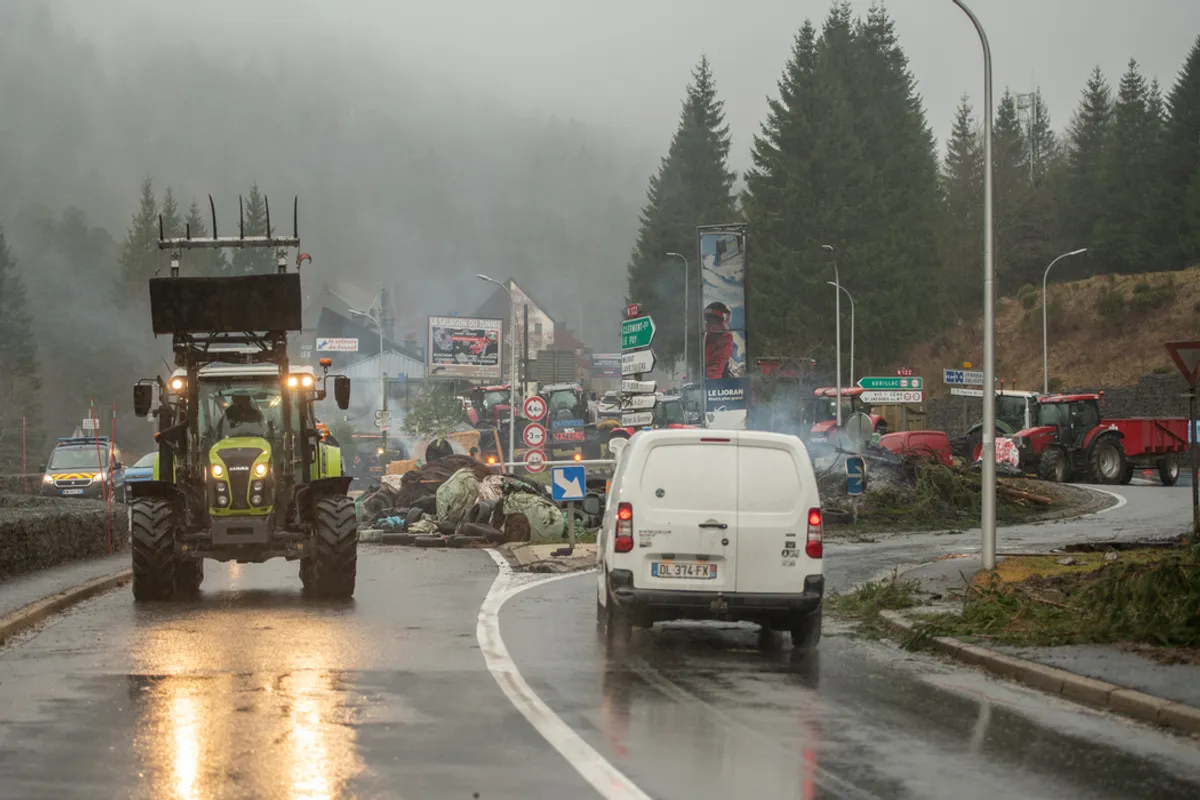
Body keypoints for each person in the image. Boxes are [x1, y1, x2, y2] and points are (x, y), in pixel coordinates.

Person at [704, 302, 735, 380]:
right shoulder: (725, 337)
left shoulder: (705, 333)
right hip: (717, 384)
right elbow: (715, 370)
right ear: (722, 318)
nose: (728, 322)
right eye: (727, 318)